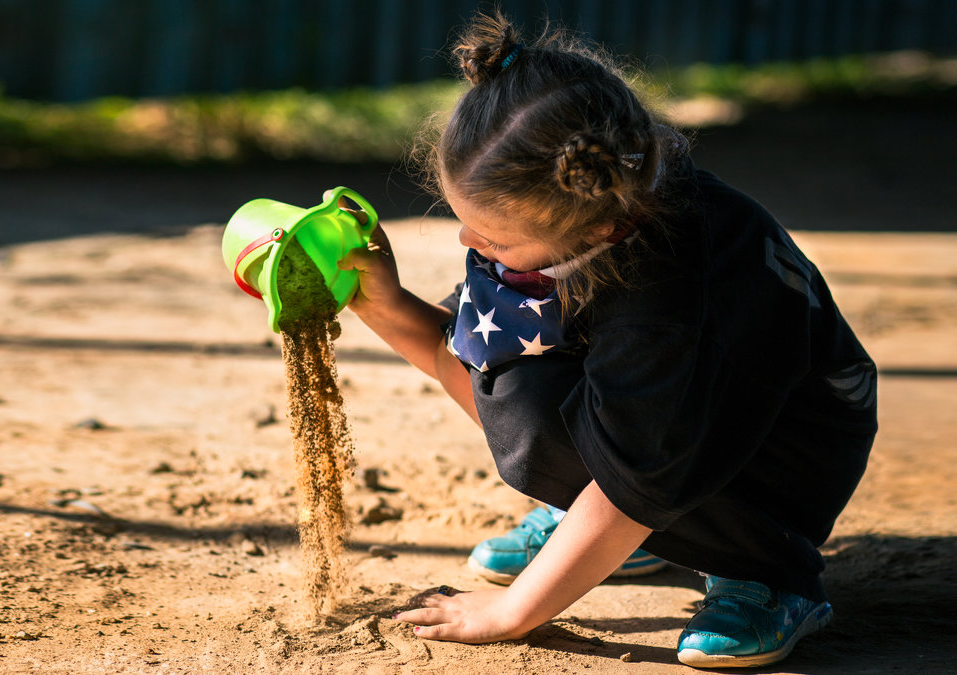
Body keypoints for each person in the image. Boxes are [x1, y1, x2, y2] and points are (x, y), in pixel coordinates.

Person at [337, 11, 876, 670]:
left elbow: (638, 472)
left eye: (495, 239)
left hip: (784, 448)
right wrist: (379, 298)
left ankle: (766, 571)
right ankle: (649, 538)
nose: (468, 244)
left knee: (607, 441)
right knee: (518, 380)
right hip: (682, 417)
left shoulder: (666, 296)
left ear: (595, 231)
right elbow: (478, 363)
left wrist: (512, 612)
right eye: (465, 222)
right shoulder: (578, 215)